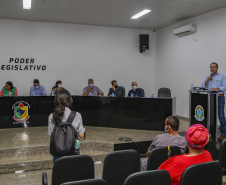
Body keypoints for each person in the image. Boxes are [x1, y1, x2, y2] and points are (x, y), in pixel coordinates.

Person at [48, 89, 85, 163]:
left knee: (59, 173)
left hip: (58, 152)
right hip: (72, 152)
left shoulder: (52, 116)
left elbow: (51, 136)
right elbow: (81, 135)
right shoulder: (77, 115)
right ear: (70, 100)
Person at [202, 62, 226, 141]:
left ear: (217, 68)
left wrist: (217, 89)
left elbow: (224, 86)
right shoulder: (208, 77)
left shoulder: (222, 76)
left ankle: (223, 134)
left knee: (221, 116)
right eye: (211, 67)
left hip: (219, 98)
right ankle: (210, 132)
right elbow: (203, 86)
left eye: (214, 67)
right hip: (210, 98)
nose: (212, 69)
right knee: (210, 116)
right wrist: (207, 81)